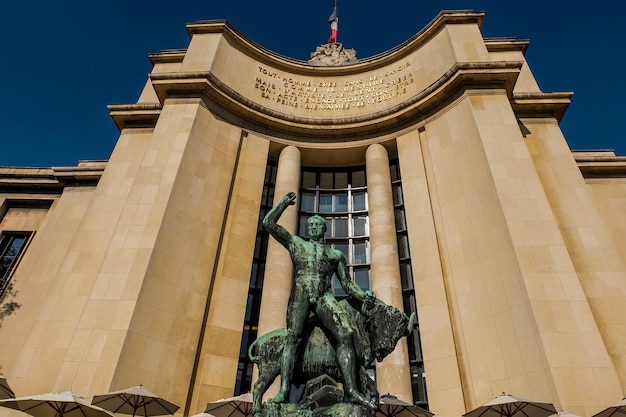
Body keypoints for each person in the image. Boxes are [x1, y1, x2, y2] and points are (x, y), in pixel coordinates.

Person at [262, 191, 377, 410]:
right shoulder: (296, 243)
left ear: (324, 230)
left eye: (317, 225)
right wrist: (283, 204)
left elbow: (347, 284)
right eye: (311, 225)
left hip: (324, 296)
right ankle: (284, 391)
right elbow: (268, 223)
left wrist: (364, 295)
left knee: (347, 333)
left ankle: (351, 390)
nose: (313, 227)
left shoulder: (335, 255)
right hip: (301, 295)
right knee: (292, 339)